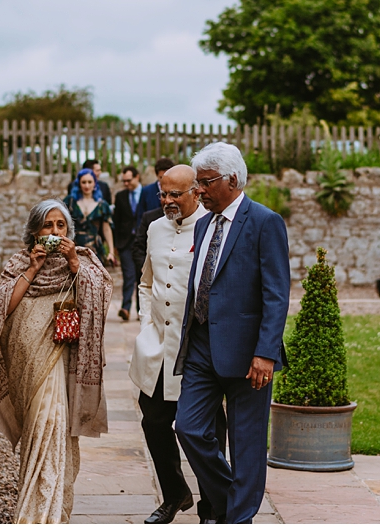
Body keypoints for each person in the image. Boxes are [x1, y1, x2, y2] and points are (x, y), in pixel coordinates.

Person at [173, 142, 290, 524]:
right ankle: (229, 500)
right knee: (188, 428)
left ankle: (239, 519)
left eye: (206, 183)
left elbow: (277, 294)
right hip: (202, 347)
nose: (199, 191)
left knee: (248, 446)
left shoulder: (265, 222)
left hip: (249, 354)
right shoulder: (204, 223)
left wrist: (266, 353)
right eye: (198, 184)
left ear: (233, 180)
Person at [0, 199, 112, 523]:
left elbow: (99, 295)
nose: (54, 232)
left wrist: (73, 265)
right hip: (27, 366)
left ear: (69, 231)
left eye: (60, 226)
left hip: (59, 361)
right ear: (34, 230)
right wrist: (32, 269)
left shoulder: (82, 260)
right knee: (37, 429)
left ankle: (45, 513)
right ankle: (33, 505)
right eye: (47, 225)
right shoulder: (19, 262)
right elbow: (2, 308)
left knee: (53, 424)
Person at [130, 165, 226, 524]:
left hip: (199, 350)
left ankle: (212, 506)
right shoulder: (154, 227)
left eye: (175, 194)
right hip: (157, 345)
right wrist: (144, 325)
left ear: (196, 192)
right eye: (162, 193)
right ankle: (174, 494)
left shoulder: (212, 229)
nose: (167, 201)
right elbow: (145, 282)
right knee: (153, 422)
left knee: (207, 432)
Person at [65, 168, 117, 266]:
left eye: (90, 182)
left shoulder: (102, 205)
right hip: (74, 246)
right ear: (79, 184)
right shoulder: (70, 202)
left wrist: (111, 252)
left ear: (95, 183)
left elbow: (106, 229)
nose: (87, 185)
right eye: (84, 182)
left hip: (95, 248)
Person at [113, 165, 142, 321]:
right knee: (128, 275)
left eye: (128, 180)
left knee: (142, 276)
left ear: (137, 177)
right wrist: (116, 244)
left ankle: (140, 310)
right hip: (125, 242)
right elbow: (116, 221)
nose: (126, 184)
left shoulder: (146, 194)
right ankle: (125, 307)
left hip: (142, 242)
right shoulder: (120, 196)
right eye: (123, 181)